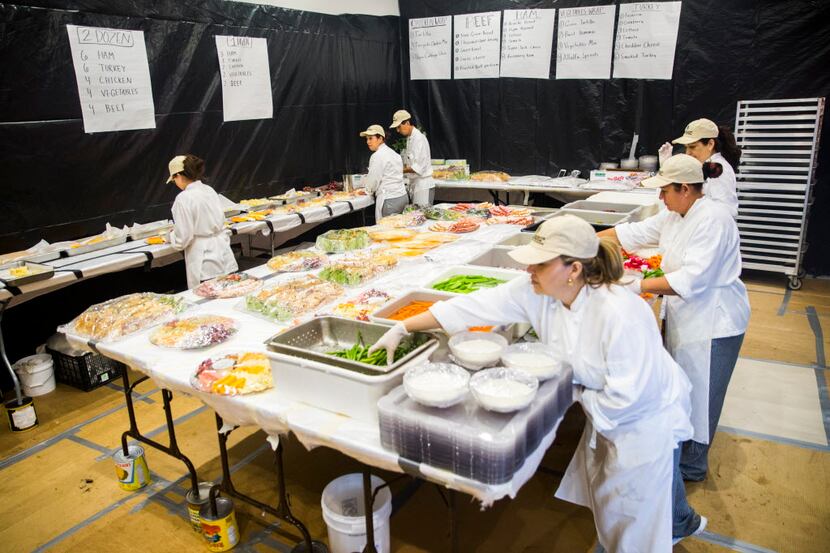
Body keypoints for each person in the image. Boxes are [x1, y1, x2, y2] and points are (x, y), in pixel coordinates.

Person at [370, 215, 706, 550]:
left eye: (538, 264)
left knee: (636, 520)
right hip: (606, 415)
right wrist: (404, 327)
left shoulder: (621, 314)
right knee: (611, 508)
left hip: (643, 427)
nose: (529, 271)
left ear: (573, 269)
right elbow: (477, 306)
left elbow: (628, 399)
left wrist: (563, 394)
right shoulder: (540, 291)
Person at [598, 154, 750, 483]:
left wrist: (634, 285)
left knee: (702, 397)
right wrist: (580, 240)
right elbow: (631, 233)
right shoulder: (676, 214)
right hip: (689, 315)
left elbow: (692, 280)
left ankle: (692, 469)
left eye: (664, 191)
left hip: (716, 321)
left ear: (685, 188)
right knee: (685, 391)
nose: (659, 198)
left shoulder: (713, 219)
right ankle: (680, 457)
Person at [166, 154, 238, 289]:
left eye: (173, 179)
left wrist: (170, 236)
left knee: (209, 301)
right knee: (229, 293)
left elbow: (183, 238)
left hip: (204, 262)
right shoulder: (209, 190)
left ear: (179, 176)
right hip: (224, 253)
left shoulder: (183, 198)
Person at [658, 118, 741, 218]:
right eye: (686, 147)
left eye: (692, 147)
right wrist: (666, 166)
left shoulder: (718, 170)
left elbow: (727, 211)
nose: (688, 152)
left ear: (710, 144)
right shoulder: (704, 165)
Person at [359, 124, 408, 221]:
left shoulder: (377, 156)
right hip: (403, 197)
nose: (368, 142)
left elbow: (373, 181)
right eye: (367, 139)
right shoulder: (394, 154)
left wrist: (366, 190)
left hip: (389, 200)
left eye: (370, 138)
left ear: (380, 138)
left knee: (386, 232)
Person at [390, 109, 435, 207]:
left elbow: (419, 167)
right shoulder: (410, 139)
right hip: (416, 185)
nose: (398, 130)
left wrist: (400, 170)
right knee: (416, 217)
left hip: (423, 185)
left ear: (407, 123)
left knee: (423, 217)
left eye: (399, 127)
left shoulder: (419, 139)